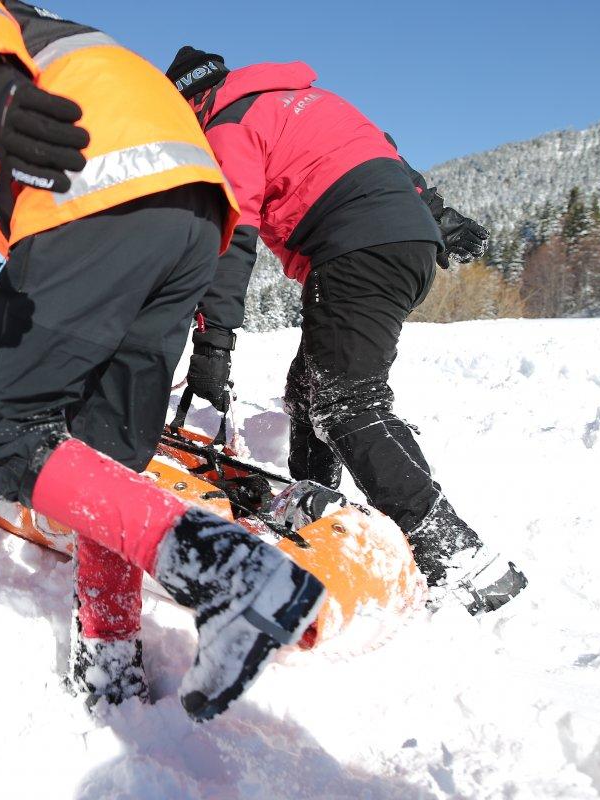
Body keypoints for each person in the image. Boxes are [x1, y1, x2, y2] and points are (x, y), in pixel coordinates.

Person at [0, 0, 328, 721]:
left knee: (3, 442)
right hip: (193, 216)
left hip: (89, 196)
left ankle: (223, 569)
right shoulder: (78, 39)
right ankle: (111, 660)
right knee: (106, 455)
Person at [163, 48, 527, 615]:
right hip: (406, 244)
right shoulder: (307, 101)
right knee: (311, 391)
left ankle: (461, 559)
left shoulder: (228, 126)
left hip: (358, 245)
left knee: (347, 401)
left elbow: (231, 240)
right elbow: (391, 160)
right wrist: (443, 218)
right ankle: (316, 510)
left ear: (190, 100)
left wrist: (212, 347)